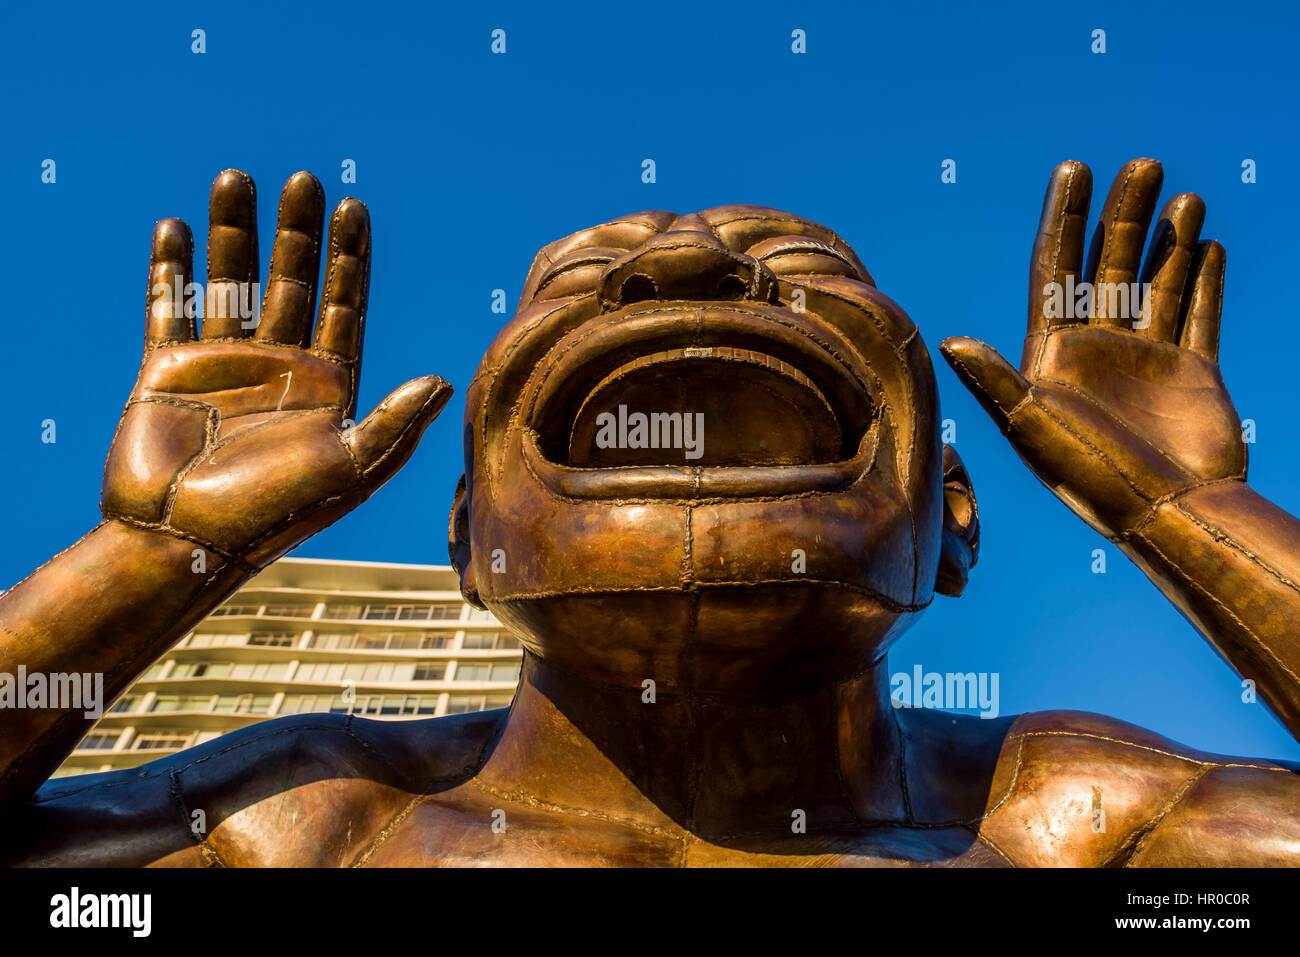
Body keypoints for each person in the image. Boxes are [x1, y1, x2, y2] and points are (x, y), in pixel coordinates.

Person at [2, 159, 1296, 866]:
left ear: (952, 520)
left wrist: (1194, 511)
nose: (682, 271)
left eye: (800, 274)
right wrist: (155, 552)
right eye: (581, 284)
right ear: (466, 543)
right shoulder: (297, 823)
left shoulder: (1098, 829)